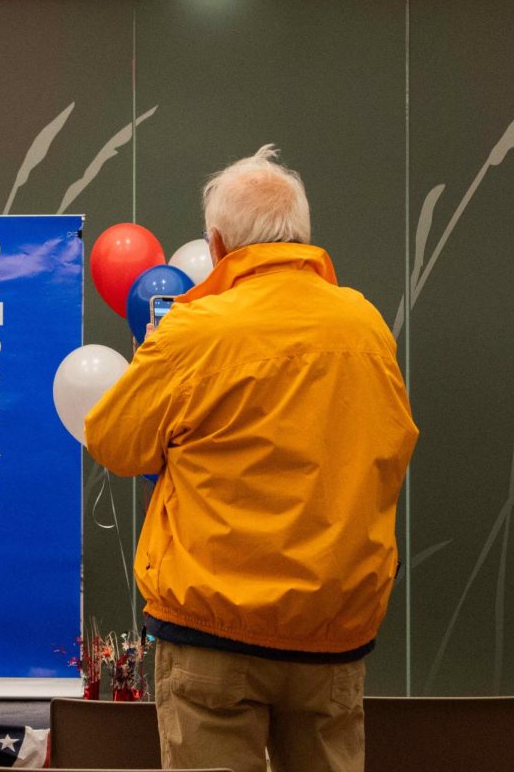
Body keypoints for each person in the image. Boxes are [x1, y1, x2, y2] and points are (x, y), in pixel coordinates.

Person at [85, 145, 418, 772]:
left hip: (213, 630)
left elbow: (114, 442)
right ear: (303, 237)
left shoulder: (195, 329)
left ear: (216, 243)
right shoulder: (367, 327)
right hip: (334, 631)